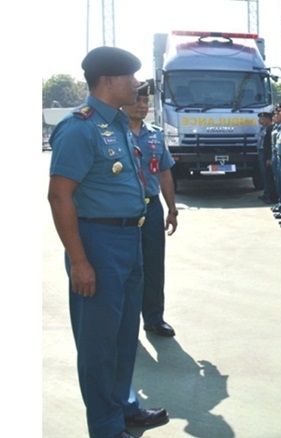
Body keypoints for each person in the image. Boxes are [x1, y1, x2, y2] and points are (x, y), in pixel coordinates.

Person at [47, 46, 169, 438]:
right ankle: (105, 426)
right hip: (97, 243)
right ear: (109, 81)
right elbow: (59, 196)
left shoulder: (118, 125)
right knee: (98, 343)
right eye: (131, 78)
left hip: (129, 238)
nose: (136, 85)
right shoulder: (79, 128)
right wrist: (79, 260)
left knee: (122, 335)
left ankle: (124, 405)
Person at [121, 80, 178, 338]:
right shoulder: (114, 132)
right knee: (126, 266)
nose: (142, 106)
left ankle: (154, 318)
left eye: (145, 102)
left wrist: (172, 208)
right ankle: (125, 322)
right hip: (122, 209)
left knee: (154, 265)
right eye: (137, 101)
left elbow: (164, 173)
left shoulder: (154, 135)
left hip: (151, 206)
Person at [257, 111, 277, 204]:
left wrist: (269, 157)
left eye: (262, 119)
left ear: (268, 119)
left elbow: (269, 145)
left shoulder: (270, 128)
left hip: (266, 154)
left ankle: (270, 196)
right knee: (264, 175)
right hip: (261, 152)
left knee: (268, 176)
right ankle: (266, 193)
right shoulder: (262, 128)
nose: (260, 121)